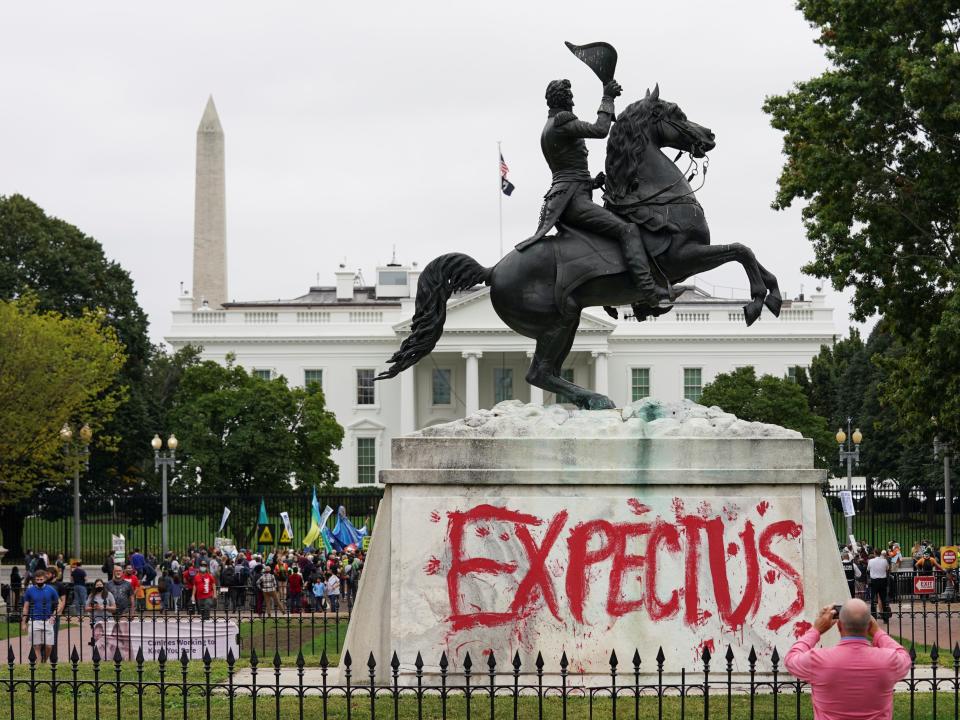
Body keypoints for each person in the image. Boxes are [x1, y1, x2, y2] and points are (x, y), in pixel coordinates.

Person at [515, 76, 663, 310]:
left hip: (569, 195)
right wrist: (608, 97)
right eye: (570, 96)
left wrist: (593, 183)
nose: (573, 100)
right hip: (573, 202)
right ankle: (649, 292)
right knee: (628, 229)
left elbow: (567, 170)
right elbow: (600, 130)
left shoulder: (549, 126)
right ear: (564, 99)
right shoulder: (562, 122)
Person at [785, 599, 910, 718]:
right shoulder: (889, 661)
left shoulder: (818, 660)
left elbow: (791, 658)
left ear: (839, 626)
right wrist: (877, 632)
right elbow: (904, 656)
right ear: (869, 627)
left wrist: (816, 630)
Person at [20, 570, 60, 662]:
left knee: (49, 645)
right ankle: (40, 665)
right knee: (36, 645)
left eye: (41, 579)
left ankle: (44, 661)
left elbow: (59, 603)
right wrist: (23, 622)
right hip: (34, 621)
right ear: (34, 579)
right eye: (37, 579)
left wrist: (54, 615)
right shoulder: (30, 590)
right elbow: (26, 607)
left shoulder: (51, 589)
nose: (39, 581)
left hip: (48, 620)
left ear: (45, 579)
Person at [84, 579, 116, 651]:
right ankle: (98, 655)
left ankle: (109, 655)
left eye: (100, 585)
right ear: (95, 586)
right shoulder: (92, 595)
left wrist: (104, 607)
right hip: (96, 621)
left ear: (103, 586)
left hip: (108, 620)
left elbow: (114, 608)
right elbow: (86, 608)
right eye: (97, 585)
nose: (99, 586)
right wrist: (94, 607)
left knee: (109, 639)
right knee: (98, 640)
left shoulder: (108, 594)